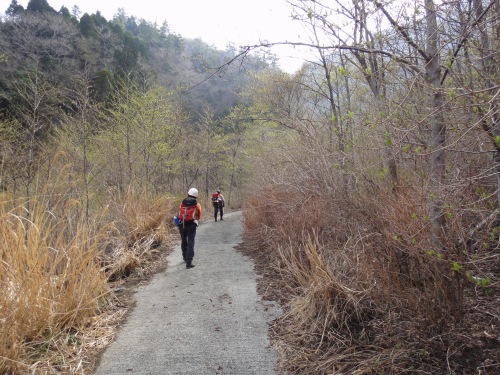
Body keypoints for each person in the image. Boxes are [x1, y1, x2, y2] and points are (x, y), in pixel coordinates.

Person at [178, 187, 202, 269]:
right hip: (191, 224)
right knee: (191, 242)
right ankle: (189, 261)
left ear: (188, 194)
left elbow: (179, 213)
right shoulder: (197, 204)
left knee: (183, 240)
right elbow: (198, 216)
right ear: (196, 196)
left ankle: (184, 257)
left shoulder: (182, 203)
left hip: (182, 224)